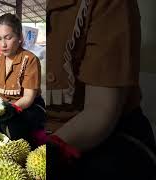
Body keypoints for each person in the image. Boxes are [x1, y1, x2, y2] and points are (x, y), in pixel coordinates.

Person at [47, 0, 156, 179]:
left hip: (106, 134)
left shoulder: (111, 4)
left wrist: (48, 150)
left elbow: (99, 110)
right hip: (48, 133)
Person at [0, 13, 47, 148]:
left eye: (8, 38)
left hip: (27, 107)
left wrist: (12, 109)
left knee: (14, 125)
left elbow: (29, 98)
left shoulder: (30, 60)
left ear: (19, 38)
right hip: (4, 106)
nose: (3, 44)